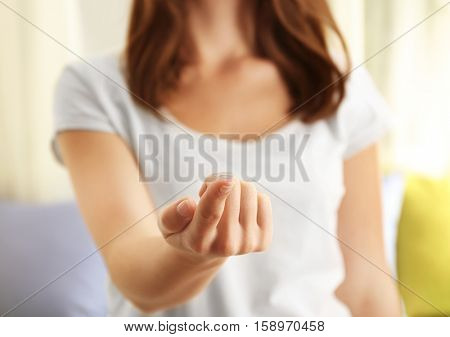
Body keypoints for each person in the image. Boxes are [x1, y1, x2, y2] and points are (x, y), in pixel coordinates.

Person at [52, 0, 401, 316]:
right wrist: (192, 255)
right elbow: (133, 274)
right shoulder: (93, 87)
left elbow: (368, 287)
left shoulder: (340, 85)